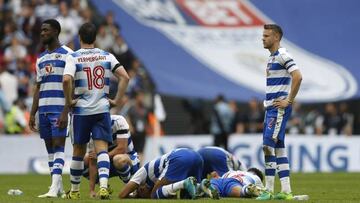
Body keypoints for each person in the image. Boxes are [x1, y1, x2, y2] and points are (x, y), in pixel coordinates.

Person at [61, 22, 129, 199]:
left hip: (82, 111)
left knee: (78, 151)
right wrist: (117, 100)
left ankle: (74, 192)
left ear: (80, 38)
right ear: (95, 38)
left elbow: (67, 80)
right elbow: (125, 77)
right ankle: (104, 187)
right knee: (102, 150)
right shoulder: (106, 55)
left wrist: (69, 101)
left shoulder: (74, 57)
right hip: (101, 109)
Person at [28, 19, 73, 198]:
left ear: (56, 31)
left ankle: (54, 189)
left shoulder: (69, 54)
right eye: (41, 30)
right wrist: (33, 113)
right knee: (50, 150)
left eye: (46, 30)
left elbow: (73, 85)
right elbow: (38, 88)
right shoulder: (41, 58)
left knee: (58, 145)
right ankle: (58, 187)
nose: (42, 33)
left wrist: (66, 110)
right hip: (44, 110)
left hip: (59, 108)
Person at [257, 24, 302, 200]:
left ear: (276, 37)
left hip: (278, 109)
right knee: (278, 149)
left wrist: (289, 100)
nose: (263, 38)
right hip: (271, 109)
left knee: (268, 147)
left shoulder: (283, 55)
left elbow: (298, 76)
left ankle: (268, 190)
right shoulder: (271, 58)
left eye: (267, 36)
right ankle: (286, 191)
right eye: (263, 35)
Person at [83, 114, 140, 198]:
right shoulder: (94, 130)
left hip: (129, 158)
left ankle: (130, 188)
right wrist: (91, 190)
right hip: (108, 162)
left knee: (118, 159)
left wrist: (102, 156)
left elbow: (122, 148)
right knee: (84, 160)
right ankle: (104, 186)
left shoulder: (119, 121)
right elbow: (93, 160)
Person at [119, 148, 203, 199]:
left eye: (139, 192)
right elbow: (172, 197)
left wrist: (133, 196)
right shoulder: (152, 180)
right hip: (197, 157)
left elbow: (122, 194)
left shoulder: (141, 174)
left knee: (154, 195)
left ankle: (184, 183)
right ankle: (203, 186)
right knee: (187, 197)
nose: (142, 192)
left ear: (140, 188)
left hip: (179, 158)